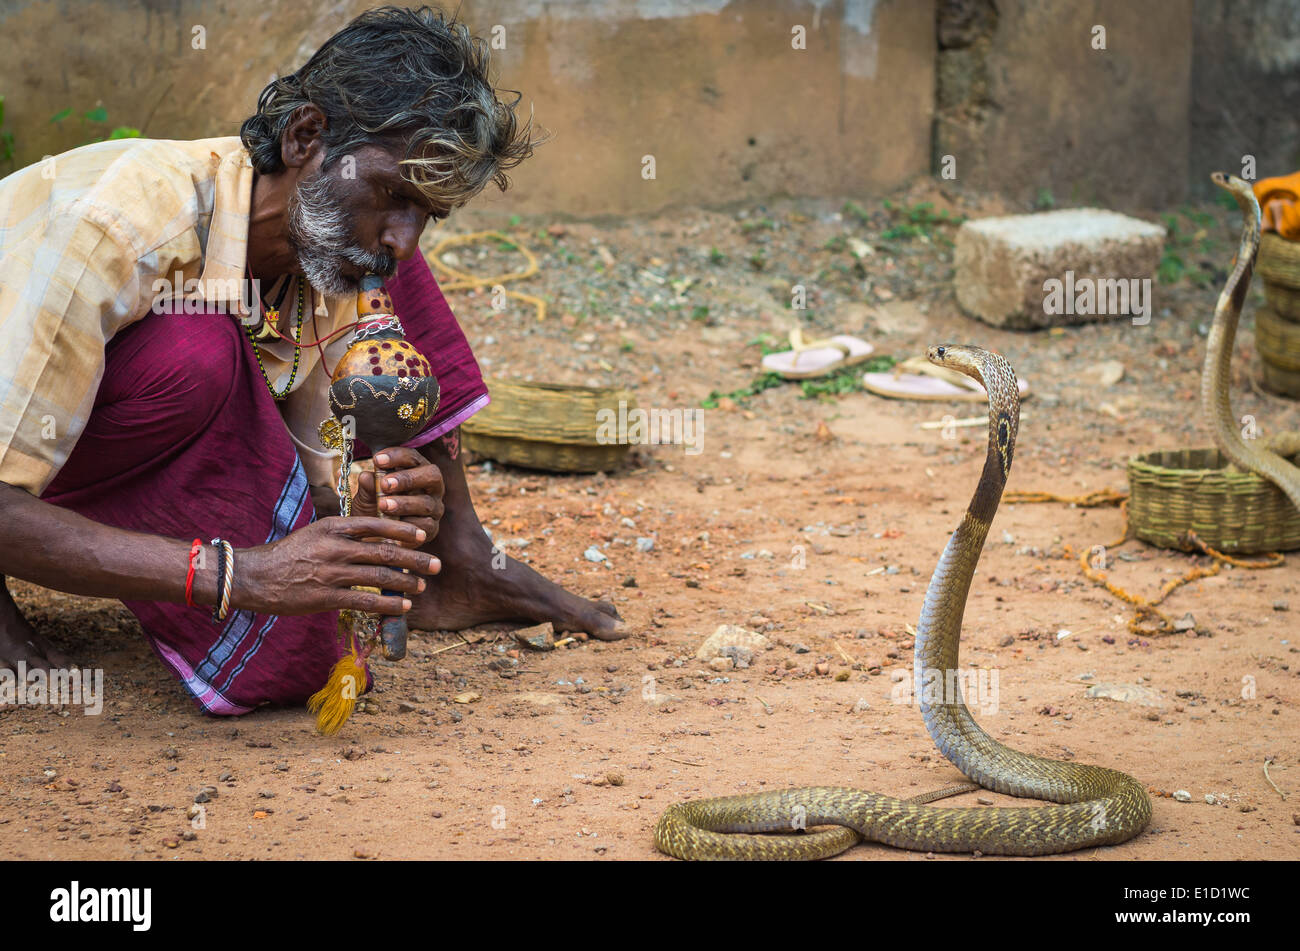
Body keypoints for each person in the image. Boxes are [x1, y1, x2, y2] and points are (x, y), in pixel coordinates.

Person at [0, 5, 626, 715]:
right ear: (304, 135)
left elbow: (318, 471)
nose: (405, 237)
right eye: (393, 195)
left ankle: (461, 554)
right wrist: (245, 572)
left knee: (382, 277)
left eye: (427, 214)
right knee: (195, 350)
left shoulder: (314, 248)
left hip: (122, 412)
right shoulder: (118, 227)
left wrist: (355, 504)